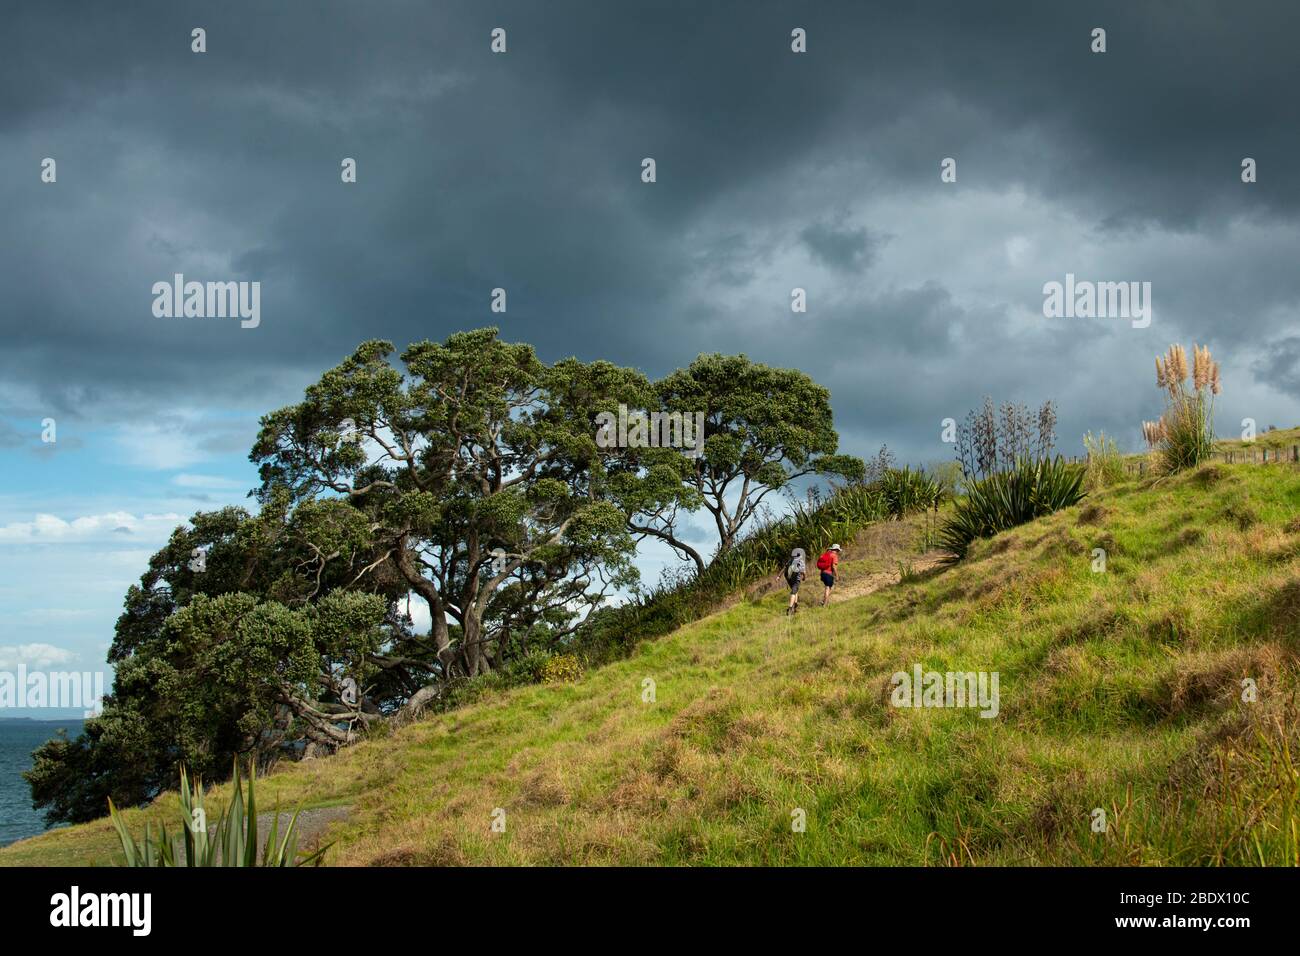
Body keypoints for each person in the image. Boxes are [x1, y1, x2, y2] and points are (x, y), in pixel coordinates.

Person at [783, 548, 806, 615]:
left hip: (789, 578)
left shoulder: (790, 560)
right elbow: (803, 572)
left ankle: (795, 604)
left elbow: (785, 569)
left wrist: (778, 576)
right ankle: (790, 608)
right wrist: (804, 577)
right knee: (793, 592)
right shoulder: (801, 561)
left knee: (795, 590)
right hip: (796, 579)